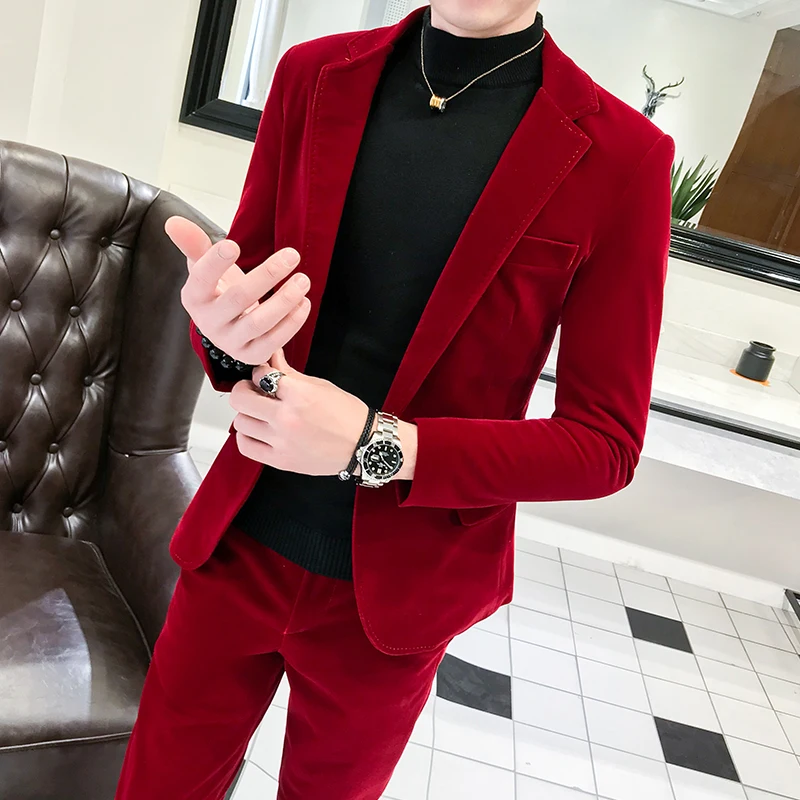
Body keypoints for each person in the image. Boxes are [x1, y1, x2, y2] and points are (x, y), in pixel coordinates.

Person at [115, 1, 675, 798]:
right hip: (238, 542)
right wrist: (219, 330)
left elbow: (604, 444)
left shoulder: (625, 156)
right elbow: (251, 320)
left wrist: (374, 444)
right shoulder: (312, 75)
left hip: (398, 594)